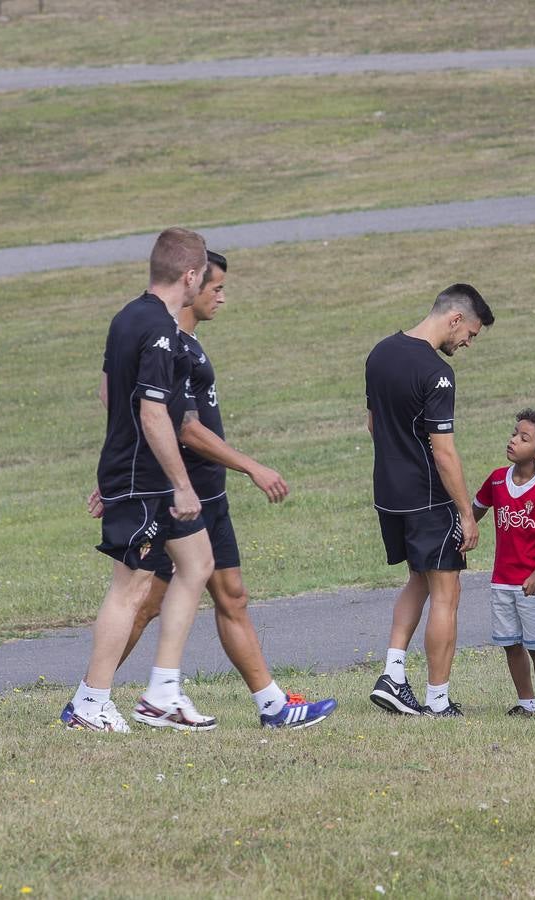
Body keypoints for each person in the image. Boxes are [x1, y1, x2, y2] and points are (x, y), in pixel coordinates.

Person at [90, 250, 338, 729]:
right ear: (191, 283)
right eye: (215, 286)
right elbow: (180, 426)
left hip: (203, 492)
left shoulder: (183, 341)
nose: (221, 296)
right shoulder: (168, 343)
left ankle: (270, 705)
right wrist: (251, 466)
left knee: (230, 593)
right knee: (142, 602)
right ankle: (94, 697)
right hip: (177, 494)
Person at [61, 227, 217, 733]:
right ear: (190, 276)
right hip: (149, 479)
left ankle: (161, 692)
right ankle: (91, 702)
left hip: (133, 471)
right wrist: (180, 483)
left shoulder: (127, 317)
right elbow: (152, 414)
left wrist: (114, 465)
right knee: (130, 589)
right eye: (204, 280)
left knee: (198, 564)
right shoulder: (161, 331)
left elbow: (109, 393)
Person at [365, 283, 494, 718]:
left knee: (417, 579)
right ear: (454, 318)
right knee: (446, 592)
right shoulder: (436, 373)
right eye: (470, 335)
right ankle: (438, 700)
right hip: (428, 499)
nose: (468, 343)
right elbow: (444, 451)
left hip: (389, 495)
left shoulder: (380, 353)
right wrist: (466, 515)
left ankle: (393, 675)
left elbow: (372, 425)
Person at [472, 409, 535, 718]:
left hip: (534, 584)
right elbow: (473, 511)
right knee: (511, 644)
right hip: (502, 580)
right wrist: (462, 531)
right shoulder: (496, 481)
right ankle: (525, 702)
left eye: (523, 438)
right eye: (514, 433)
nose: (513, 440)